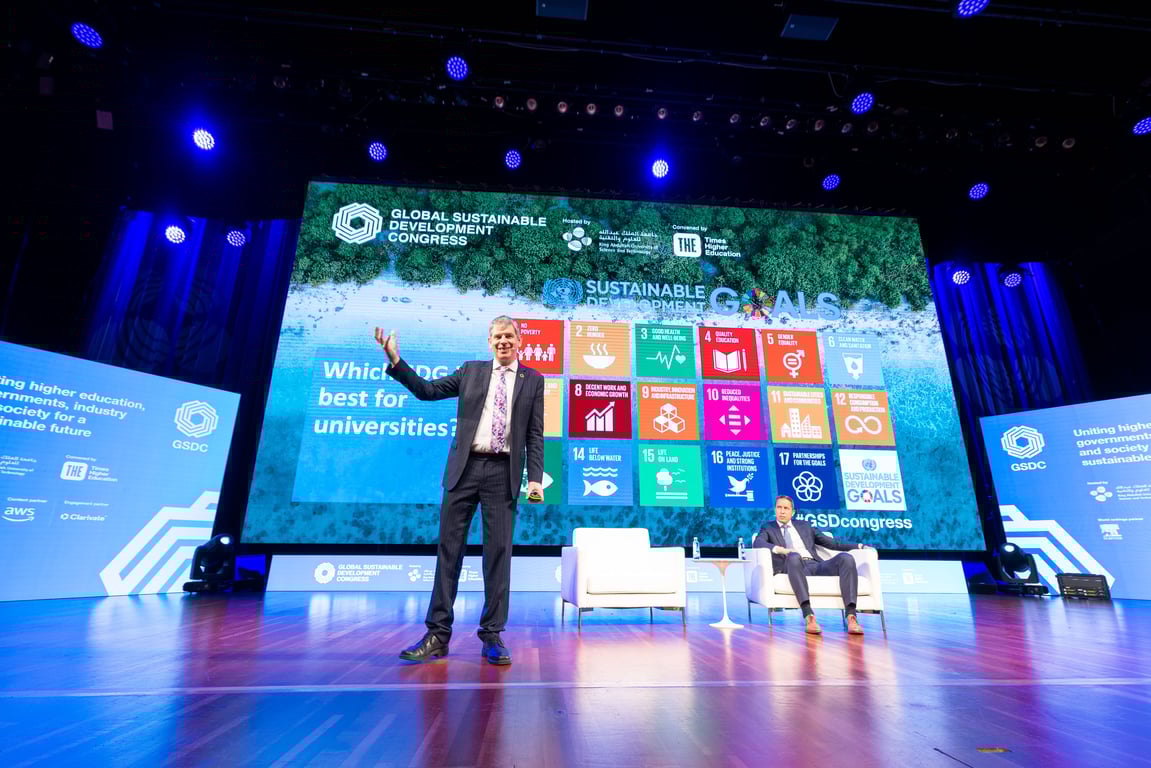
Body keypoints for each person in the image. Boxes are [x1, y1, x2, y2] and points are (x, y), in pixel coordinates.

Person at [375, 316, 545, 665]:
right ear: (489, 342)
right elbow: (427, 391)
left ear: (520, 341)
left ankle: (492, 635)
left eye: (509, 336)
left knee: (498, 555)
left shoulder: (533, 380)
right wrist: (395, 359)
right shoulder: (470, 371)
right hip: (463, 470)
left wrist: (535, 479)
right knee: (449, 552)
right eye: (497, 336)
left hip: (503, 473)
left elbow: (534, 433)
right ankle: (437, 635)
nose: (503, 341)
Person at [753, 495, 873, 635]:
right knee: (794, 556)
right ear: (775, 509)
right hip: (792, 566)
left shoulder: (805, 526)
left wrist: (860, 546)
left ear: (793, 512)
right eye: (779, 507)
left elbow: (833, 543)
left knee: (846, 558)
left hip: (815, 565)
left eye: (786, 508)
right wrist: (781, 550)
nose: (782, 511)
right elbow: (758, 542)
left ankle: (851, 616)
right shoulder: (768, 527)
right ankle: (809, 615)